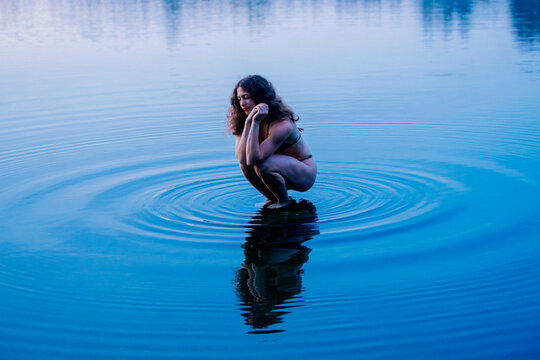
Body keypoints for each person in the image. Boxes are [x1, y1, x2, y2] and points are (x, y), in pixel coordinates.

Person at [227, 75, 317, 209]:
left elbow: (253, 159)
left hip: (303, 173)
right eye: (239, 99)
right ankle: (272, 198)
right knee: (244, 166)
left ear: (260, 96)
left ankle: (283, 202)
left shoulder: (283, 124)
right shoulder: (244, 119)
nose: (242, 104)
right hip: (279, 167)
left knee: (263, 165)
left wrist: (256, 122)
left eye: (246, 97)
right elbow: (243, 160)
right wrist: (248, 123)